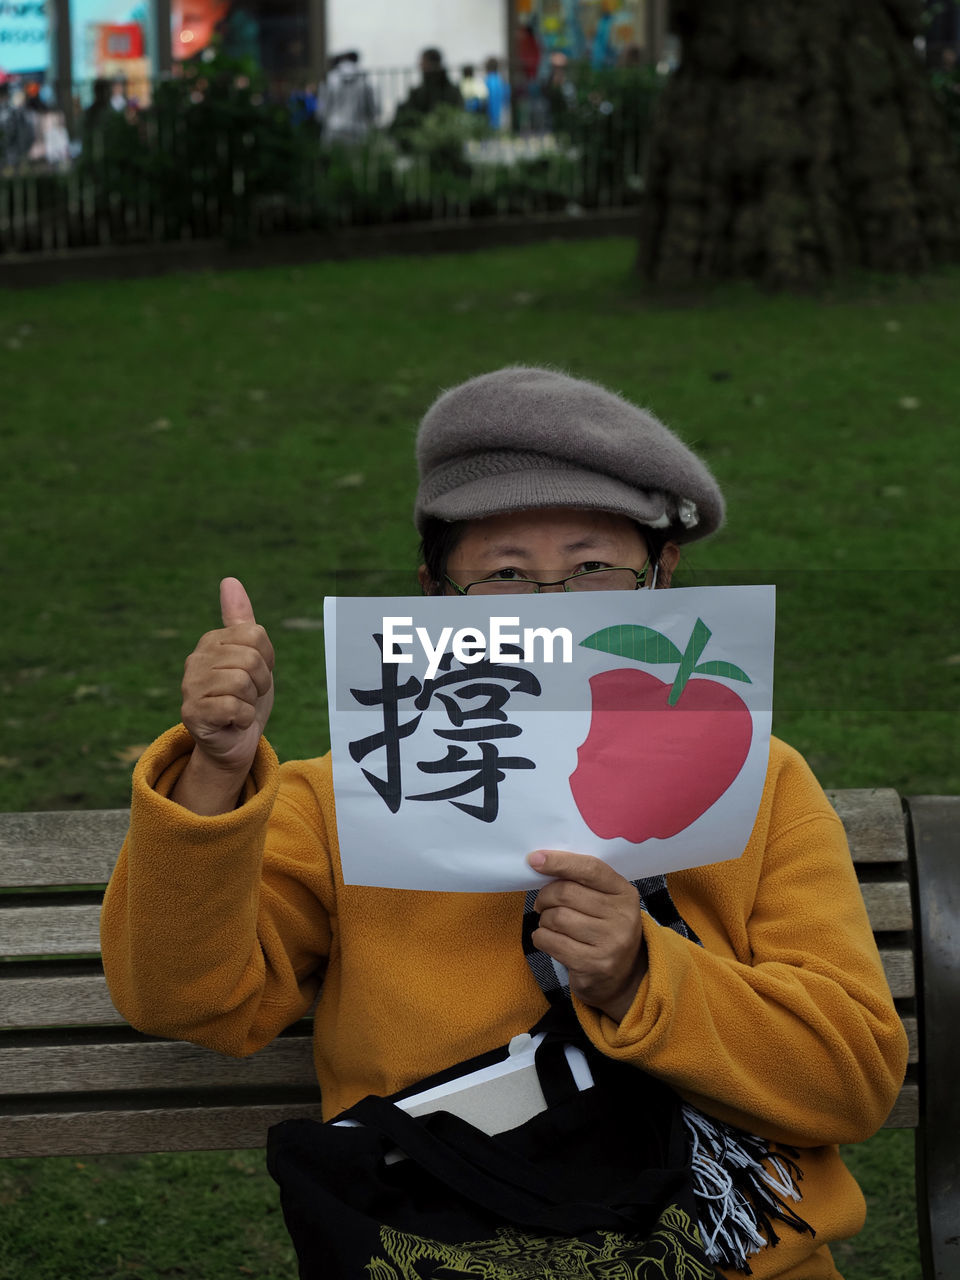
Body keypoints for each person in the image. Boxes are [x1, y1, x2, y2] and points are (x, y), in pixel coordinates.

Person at [101, 367, 907, 1279]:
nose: (551, 607)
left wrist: (642, 972)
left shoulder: (760, 783)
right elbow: (185, 998)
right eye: (506, 574)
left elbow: (852, 1079)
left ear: (662, 577)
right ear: (435, 596)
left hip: (729, 1253)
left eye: (594, 565)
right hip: (441, 1248)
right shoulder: (341, 801)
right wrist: (215, 767)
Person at [390, 46, 463, 135]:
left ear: (431, 64)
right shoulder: (452, 89)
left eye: (423, 62)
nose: (420, 65)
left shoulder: (423, 92)